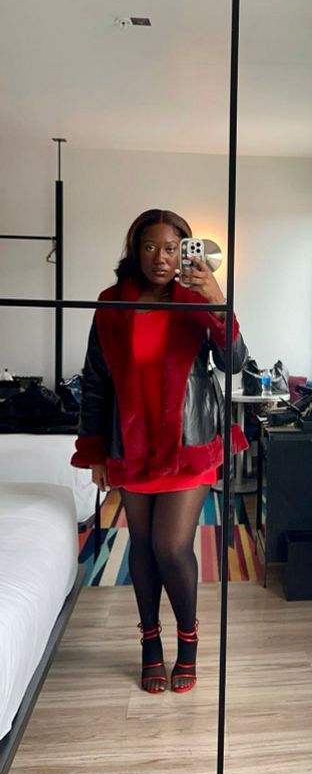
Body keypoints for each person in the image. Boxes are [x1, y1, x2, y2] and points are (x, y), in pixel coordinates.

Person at [71, 209, 248, 694]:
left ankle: (188, 640)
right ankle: (150, 641)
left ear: (185, 251)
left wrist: (217, 302)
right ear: (136, 249)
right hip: (132, 445)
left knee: (171, 547)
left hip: (188, 443)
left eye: (172, 248)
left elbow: (234, 362)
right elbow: (95, 380)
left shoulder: (196, 300)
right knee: (144, 548)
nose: (162, 258)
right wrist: (95, 452)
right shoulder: (112, 303)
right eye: (150, 247)